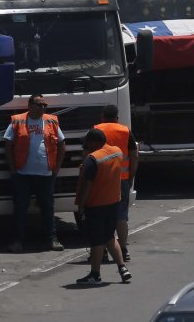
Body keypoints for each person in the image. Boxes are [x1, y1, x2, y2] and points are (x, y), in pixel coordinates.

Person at [4, 94, 66, 252]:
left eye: (44, 105)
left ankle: (51, 240)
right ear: (30, 105)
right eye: (39, 105)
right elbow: (8, 146)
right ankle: (16, 241)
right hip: (22, 175)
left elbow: (62, 145)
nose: (43, 107)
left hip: (45, 176)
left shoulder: (51, 121)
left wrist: (56, 168)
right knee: (20, 209)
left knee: (47, 208)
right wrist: (13, 170)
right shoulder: (18, 121)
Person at [75, 129, 132, 284]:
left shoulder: (92, 159)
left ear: (94, 142)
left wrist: (81, 206)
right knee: (110, 237)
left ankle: (95, 274)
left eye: (87, 143)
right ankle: (122, 268)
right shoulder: (117, 152)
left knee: (96, 241)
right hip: (113, 202)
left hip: (96, 205)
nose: (85, 146)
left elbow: (86, 185)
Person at [94, 105, 139, 261]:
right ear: (117, 118)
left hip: (100, 180)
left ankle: (103, 251)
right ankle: (124, 250)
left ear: (102, 116)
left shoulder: (96, 130)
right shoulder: (125, 131)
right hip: (122, 179)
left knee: (101, 215)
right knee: (121, 215)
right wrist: (131, 176)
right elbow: (134, 156)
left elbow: (88, 154)